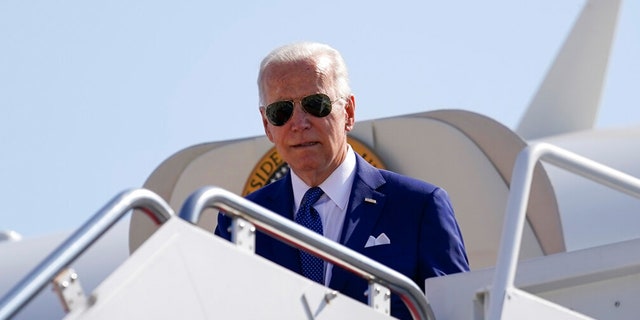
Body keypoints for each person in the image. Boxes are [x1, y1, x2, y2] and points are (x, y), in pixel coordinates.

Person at [215, 41, 469, 319]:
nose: (299, 123)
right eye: (281, 112)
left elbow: (457, 313)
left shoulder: (418, 208)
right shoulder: (240, 221)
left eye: (316, 104)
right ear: (267, 126)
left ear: (348, 112)